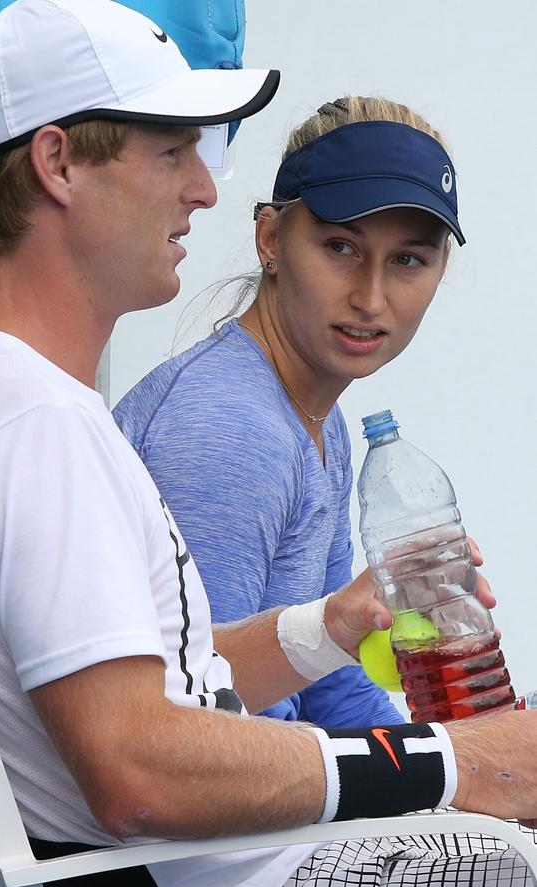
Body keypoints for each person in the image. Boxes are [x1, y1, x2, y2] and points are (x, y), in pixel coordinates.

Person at [0, 3, 537, 887]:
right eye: (169, 152)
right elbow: (139, 769)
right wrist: (450, 760)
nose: (203, 187)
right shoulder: (37, 436)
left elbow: (157, 693)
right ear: (57, 164)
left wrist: (328, 627)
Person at [114, 95, 459, 730]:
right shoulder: (229, 428)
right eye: (340, 247)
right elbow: (197, 716)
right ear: (270, 237)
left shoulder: (315, 421)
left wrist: (467, 764)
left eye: (408, 260)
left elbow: (330, 689)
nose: (370, 297)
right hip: (200, 816)